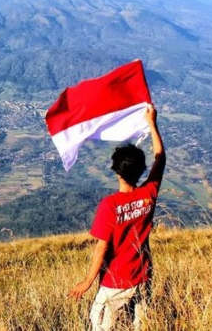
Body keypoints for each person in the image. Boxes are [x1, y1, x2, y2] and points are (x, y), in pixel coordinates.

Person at [69, 104, 165, 331]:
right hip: (143, 277)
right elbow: (160, 159)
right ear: (142, 171)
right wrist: (152, 123)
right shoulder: (148, 193)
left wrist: (87, 282)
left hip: (114, 283)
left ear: (116, 171)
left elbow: (101, 248)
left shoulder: (110, 205)